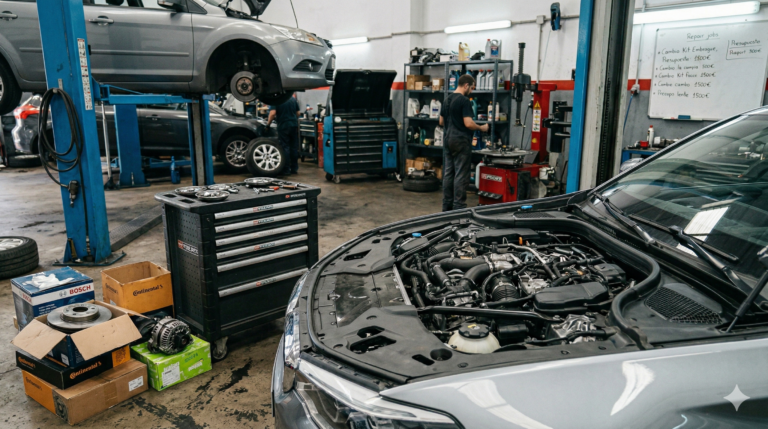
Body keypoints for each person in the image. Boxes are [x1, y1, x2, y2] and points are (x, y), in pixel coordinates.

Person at [439, 74, 488, 211]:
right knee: (461, 174)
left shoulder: (447, 99)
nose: (471, 91)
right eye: (471, 88)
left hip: (448, 139)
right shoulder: (464, 101)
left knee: (448, 173)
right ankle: (459, 207)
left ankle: (446, 206)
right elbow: (468, 123)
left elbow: (441, 122)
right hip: (461, 140)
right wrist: (481, 128)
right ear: (466, 85)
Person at [267, 94, 301, 175]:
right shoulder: (292, 99)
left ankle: (286, 170)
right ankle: (294, 168)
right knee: (293, 147)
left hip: (283, 126)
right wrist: (292, 117)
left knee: (285, 147)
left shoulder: (276, 100)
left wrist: (268, 124)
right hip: (293, 125)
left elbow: (272, 113)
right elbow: (298, 113)